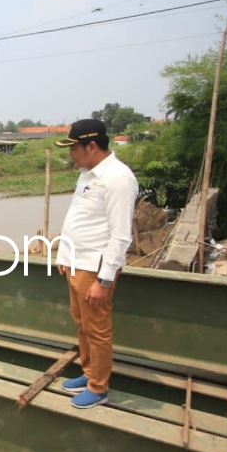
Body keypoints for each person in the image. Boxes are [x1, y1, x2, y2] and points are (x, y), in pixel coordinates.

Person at [54, 119, 139, 409]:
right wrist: (65, 255)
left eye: (73, 149)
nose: (71, 155)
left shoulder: (118, 179)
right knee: (82, 324)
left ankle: (98, 387)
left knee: (97, 329)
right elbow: (80, 218)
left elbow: (120, 235)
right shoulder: (87, 174)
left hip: (95, 267)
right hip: (76, 263)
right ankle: (89, 371)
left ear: (91, 146)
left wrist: (104, 280)